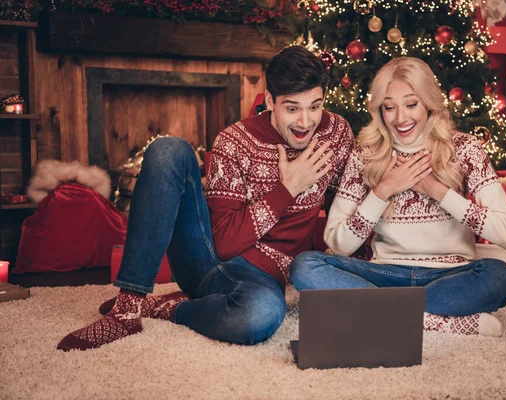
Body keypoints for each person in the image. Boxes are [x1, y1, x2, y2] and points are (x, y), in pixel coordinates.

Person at [57, 46, 355, 351]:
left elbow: (344, 206)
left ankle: (169, 308)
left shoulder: (336, 134)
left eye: (315, 106)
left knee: (260, 315)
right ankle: (128, 308)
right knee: (168, 150)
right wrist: (287, 189)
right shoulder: (234, 141)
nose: (305, 122)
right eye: (292, 108)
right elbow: (224, 243)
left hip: (262, 280)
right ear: (270, 102)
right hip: (207, 259)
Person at [290, 57, 506, 337]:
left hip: (449, 275)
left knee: (500, 276)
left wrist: (436, 189)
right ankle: (439, 322)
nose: (401, 119)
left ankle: (380, 313)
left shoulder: (465, 148)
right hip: (385, 275)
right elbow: (339, 246)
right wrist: (384, 189)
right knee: (306, 266)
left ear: (429, 103)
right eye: (389, 107)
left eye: (411, 104)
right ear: (380, 110)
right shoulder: (365, 155)